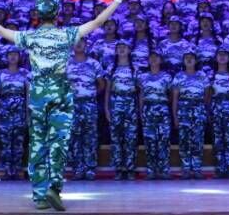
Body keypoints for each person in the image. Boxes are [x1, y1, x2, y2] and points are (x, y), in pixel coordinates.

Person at [0, 0, 125, 210]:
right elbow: (98, 21)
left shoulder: (29, 37)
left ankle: (40, 195)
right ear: (57, 14)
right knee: (59, 142)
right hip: (60, 92)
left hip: (38, 94)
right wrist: (116, 1)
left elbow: (1, 30)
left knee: (38, 143)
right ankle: (54, 188)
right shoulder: (67, 35)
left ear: (38, 15)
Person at [66, 38, 102, 180]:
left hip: (89, 104)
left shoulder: (94, 63)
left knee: (90, 137)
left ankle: (90, 169)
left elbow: (101, 84)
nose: (79, 44)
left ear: (86, 45)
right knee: (74, 137)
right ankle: (77, 169)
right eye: (76, 42)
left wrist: (91, 94)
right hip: (72, 104)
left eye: (81, 42)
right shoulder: (66, 63)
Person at [171, 49, 210, 179]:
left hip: (198, 109)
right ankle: (186, 169)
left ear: (196, 60)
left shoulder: (202, 75)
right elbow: (175, 98)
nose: (189, 59)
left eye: (191, 57)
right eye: (186, 57)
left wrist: (202, 110)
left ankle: (197, 169)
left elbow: (206, 96)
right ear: (183, 61)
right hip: (183, 111)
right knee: (184, 140)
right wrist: (175, 116)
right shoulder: (178, 76)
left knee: (197, 140)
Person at [0, 47, 31, 181]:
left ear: (19, 57)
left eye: (15, 54)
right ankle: (7, 170)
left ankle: (16, 170)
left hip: (20, 112)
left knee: (18, 142)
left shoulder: (25, 74)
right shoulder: (0, 74)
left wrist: (27, 114)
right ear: (6, 57)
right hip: (4, 112)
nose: (13, 57)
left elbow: (28, 95)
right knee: (5, 142)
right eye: (10, 54)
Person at [105, 40, 139, 180]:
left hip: (131, 104)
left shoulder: (135, 68)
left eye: (124, 47)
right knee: (116, 138)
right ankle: (118, 168)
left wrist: (139, 109)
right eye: (119, 47)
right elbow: (107, 90)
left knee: (131, 138)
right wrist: (107, 109)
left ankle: (130, 168)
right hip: (116, 104)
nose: (121, 49)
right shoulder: (111, 68)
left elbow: (140, 91)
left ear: (129, 50)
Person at [138, 51, 173, 180]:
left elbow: (171, 94)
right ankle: (151, 170)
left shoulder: (167, 77)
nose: (153, 59)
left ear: (161, 60)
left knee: (164, 140)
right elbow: (141, 94)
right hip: (148, 108)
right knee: (150, 140)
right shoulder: (142, 76)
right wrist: (141, 111)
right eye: (151, 57)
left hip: (162, 109)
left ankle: (164, 170)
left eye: (156, 57)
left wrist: (163, 104)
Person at [209, 47, 229, 178]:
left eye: (225, 54)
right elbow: (208, 94)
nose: (222, 57)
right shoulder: (211, 74)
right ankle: (220, 168)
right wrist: (209, 110)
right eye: (219, 55)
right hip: (216, 108)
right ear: (216, 57)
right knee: (218, 139)